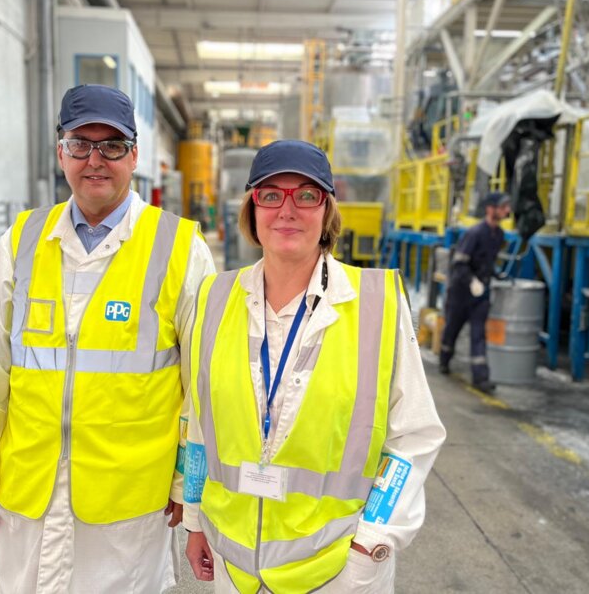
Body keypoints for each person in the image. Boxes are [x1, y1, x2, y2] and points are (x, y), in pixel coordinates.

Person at [0, 84, 215, 592]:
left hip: (128, 501)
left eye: (111, 146)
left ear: (134, 155)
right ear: (61, 151)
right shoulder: (21, 240)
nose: (95, 160)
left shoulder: (180, 248)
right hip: (30, 491)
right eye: (80, 144)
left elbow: (201, 386)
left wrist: (188, 486)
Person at [182, 140, 446, 593]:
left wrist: (373, 543)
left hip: (335, 569)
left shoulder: (376, 303)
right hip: (234, 565)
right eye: (270, 194)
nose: (288, 209)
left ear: (327, 211)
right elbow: (199, 423)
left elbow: (414, 435)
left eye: (307, 195)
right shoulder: (214, 298)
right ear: (252, 210)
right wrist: (193, 517)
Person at [438, 191, 511, 393]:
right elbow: (459, 263)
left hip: (481, 294)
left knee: (479, 334)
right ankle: (444, 359)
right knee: (452, 328)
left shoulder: (499, 236)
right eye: (503, 206)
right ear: (490, 209)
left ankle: (481, 378)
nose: (507, 210)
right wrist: (471, 281)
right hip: (461, 292)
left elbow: (487, 263)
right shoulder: (475, 233)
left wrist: (496, 275)